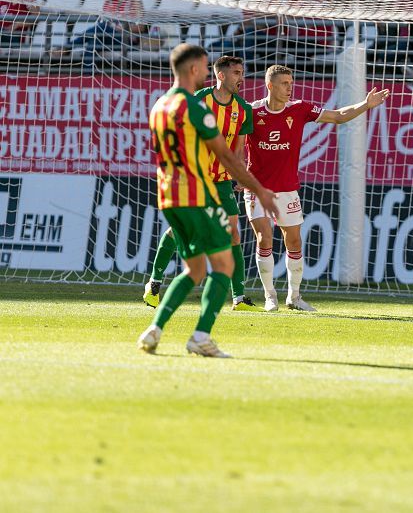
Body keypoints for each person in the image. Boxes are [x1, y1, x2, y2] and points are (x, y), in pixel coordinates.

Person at [136, 45, 279, 358]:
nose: (205, 73)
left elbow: (159, 150)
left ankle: (154, 329)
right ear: (192, 70)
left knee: (195, 269)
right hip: (198, 193)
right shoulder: (197, 108)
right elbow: (226, 155)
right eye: (203, 67)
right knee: (224, 263)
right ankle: (201, 336)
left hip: (169, 196)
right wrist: (261, 190)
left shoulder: (159, 106)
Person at [246, 64, 389, 313]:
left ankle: (295, 297)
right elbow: (233, 143)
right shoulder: (251, 111)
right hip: (257, 189)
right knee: (264, 238)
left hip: (287, 189)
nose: (290, 87)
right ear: (270, 85)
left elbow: (338, 116)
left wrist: (365, 105)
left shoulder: (300, 109)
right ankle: (270, 297)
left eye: (291, 82)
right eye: (284, 83)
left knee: (294, 241)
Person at [144, 55, 262, 314]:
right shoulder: (198, 100)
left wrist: (240, 174)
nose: (241, 78)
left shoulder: (243, 109)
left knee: (233, 235)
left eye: (242, 73)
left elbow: (239, 149)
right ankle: (154, 282)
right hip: (194, 179)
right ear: (221, 75)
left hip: (221, 182)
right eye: (236, 73)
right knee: (180, 231)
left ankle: (239, 297)